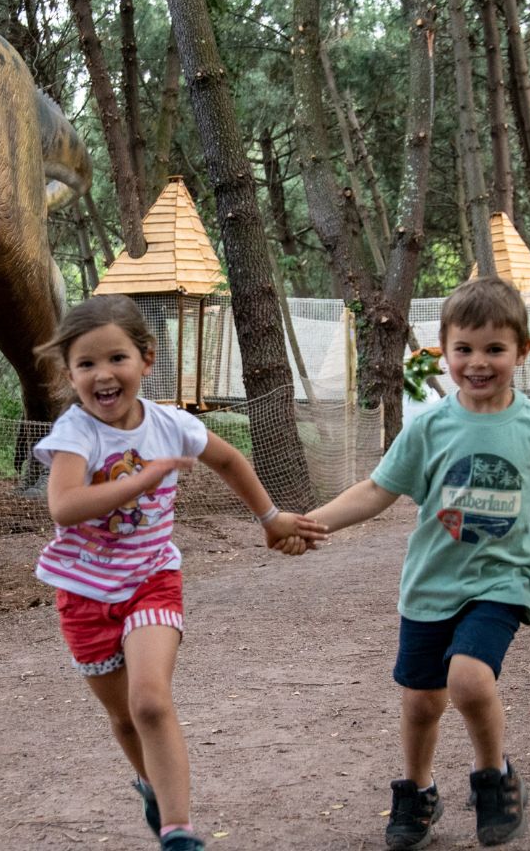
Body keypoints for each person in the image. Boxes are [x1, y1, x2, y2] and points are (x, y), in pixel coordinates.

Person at [306, 276, 530, 849]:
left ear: (522, 351)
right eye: (464, 349)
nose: (478, 362)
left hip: (506, 578)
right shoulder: (428, 427)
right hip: (431, 583)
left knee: (469, 680)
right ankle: (419, 791)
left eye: (495, 349)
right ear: (443, 352)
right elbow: (378, 490)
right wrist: (315, 521)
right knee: (422, 701)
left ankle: (492, 779)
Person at [32, 294, 329, 851]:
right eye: (86, 364)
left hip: (151, 578)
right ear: (69, 374)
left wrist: (269, 519)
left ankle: (178, 832)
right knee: (124, 720)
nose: (103, 374)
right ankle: (149, 783)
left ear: (146, 360)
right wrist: (142, 480)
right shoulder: (76, 433)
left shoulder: (170, 425)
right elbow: (65, 506)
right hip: (83, 594)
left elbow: (228, 459)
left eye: (116, 358)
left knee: (150, 701)